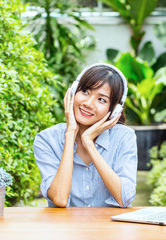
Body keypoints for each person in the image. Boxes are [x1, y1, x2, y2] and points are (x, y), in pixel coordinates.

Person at [34, 63, 138, 207]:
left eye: (101, 99)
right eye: (85, 92)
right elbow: (59, 199)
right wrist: (70, 134)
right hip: (64, 228)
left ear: (114, 110)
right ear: (73, 92)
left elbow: (124, 198)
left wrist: (88, 142)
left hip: (110, 228)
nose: (89, 103)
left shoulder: (124, 138)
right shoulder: (47, 139)